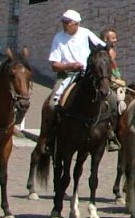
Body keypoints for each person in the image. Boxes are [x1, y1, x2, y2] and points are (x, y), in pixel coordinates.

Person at [43, 9, 107, 154]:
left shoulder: (86, 33)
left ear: (76, 23)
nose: (64, 25)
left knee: (111, 98)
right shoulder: (58, 38)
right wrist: (70, 65)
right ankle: (50, 136)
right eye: (63, 22)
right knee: (53, 104)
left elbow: (103, 49)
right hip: (67, 75)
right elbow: (54, 65)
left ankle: (109, 133)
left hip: (89, 74)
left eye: (67, 22)